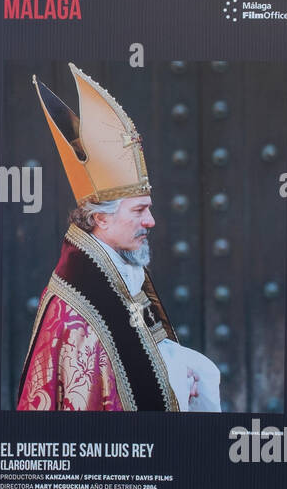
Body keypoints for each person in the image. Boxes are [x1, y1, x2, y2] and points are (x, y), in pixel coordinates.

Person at [17, 64, 221, 412]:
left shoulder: (118, 270)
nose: (152, 221)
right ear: (100, 219)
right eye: (139, 211)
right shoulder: (77, 315)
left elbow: (148, 349)